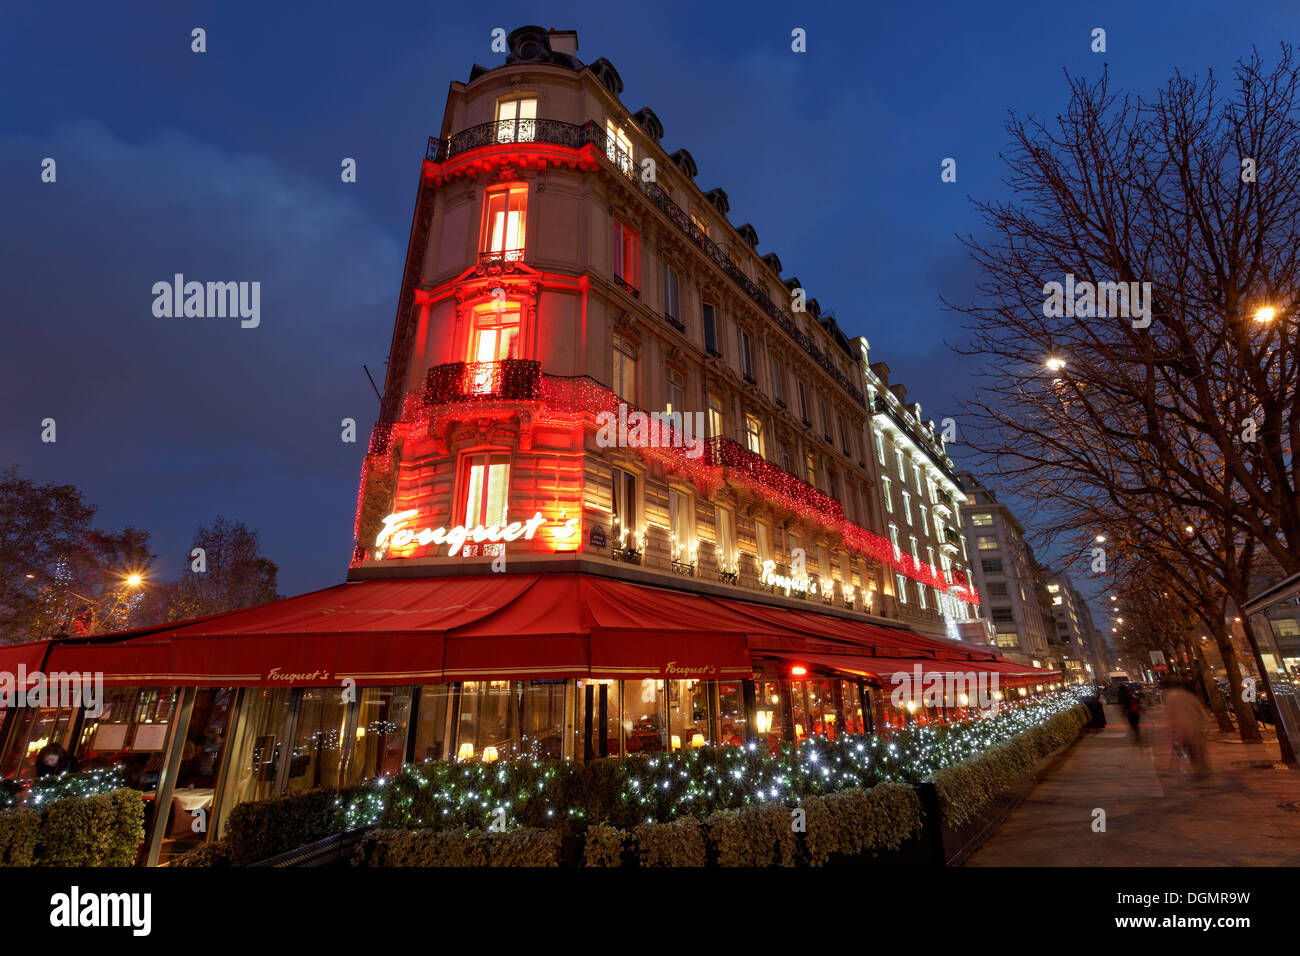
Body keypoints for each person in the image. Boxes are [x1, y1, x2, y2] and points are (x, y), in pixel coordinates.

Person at [1164, 678, 1210, 777]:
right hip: (1196, 725)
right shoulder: (1189, 695)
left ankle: (1199, 767)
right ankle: (1202, 766)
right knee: (1197, 747)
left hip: (1183, 728)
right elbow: (1201, 710)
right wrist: (1206, 723)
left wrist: (1170, 729)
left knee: (1189, 747)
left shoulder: (1171, 697)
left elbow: (1170, 714)